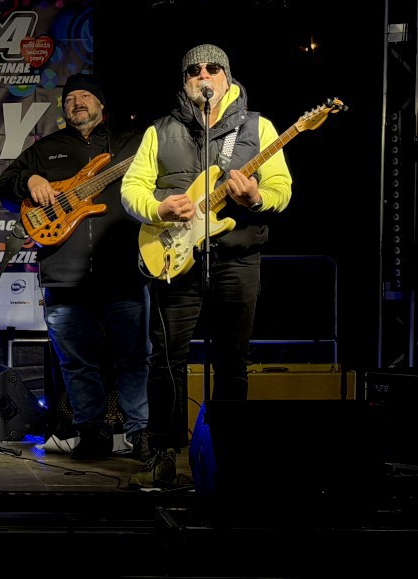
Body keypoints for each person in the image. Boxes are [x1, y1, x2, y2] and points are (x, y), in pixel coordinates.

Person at [120, 44, 292, 487]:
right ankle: (163, 449)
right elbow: (131, 188)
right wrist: (159, 208)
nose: (203, 75)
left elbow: (281, 189)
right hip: (175, 259)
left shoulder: (260, 127)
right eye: (194, 70)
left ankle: (228, 452)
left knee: (232, 360)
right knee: (166, 360)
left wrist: (256, 198)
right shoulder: (160, 130)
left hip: (237, 257)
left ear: (227, 78)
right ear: (184, 82)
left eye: (213, 69)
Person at [0, 73, 151, 461]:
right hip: (64, 275)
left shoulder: (133, 143)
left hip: (122, 271)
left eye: (86, 96)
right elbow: (5, 185)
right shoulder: (46, 148)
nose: (77, 102)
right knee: (76, 362)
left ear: (102, 105)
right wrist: (30, 179)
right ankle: (92, 431)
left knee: (133, 358)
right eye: (70, 98)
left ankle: (141, 433)